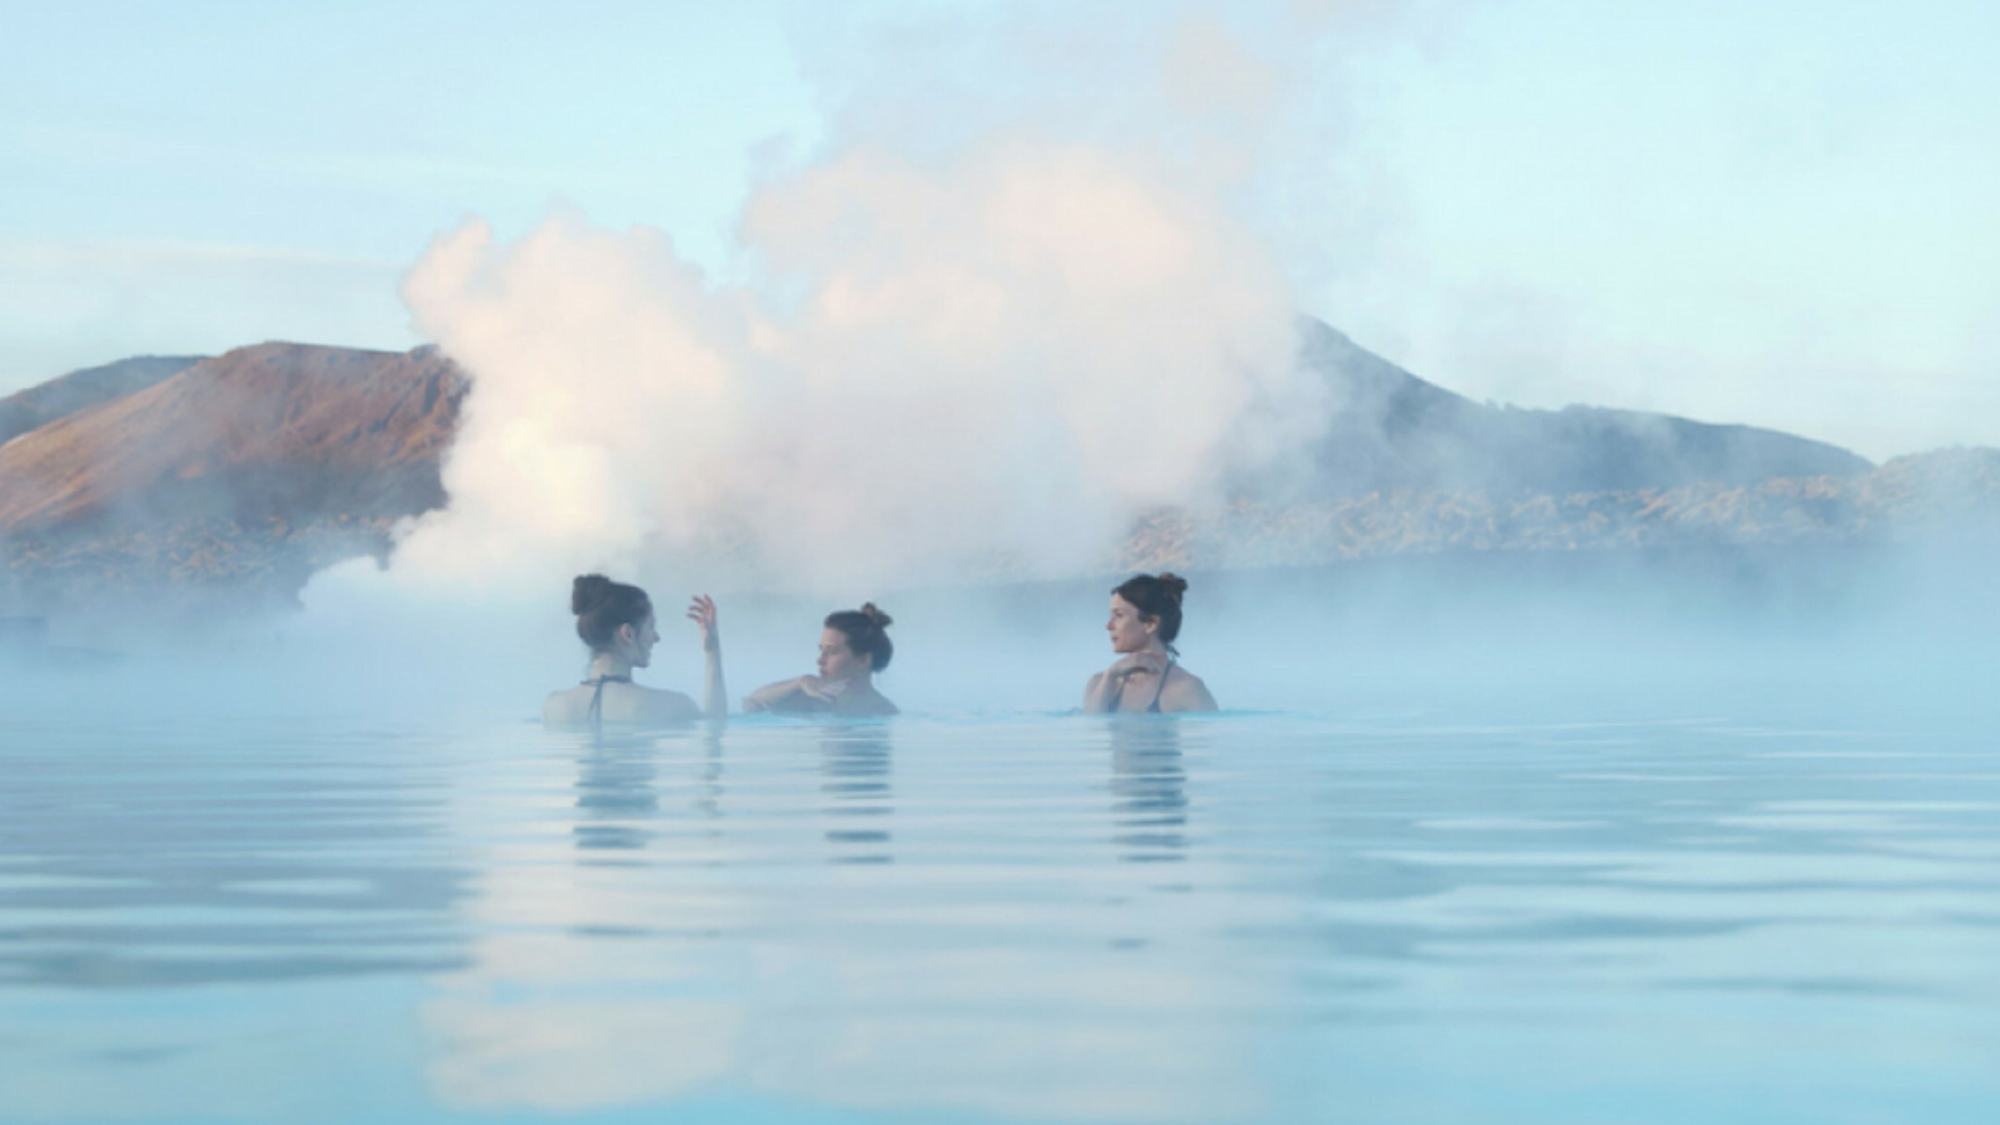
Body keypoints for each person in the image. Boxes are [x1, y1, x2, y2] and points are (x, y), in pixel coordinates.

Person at [544, 575, 726, 727]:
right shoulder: (668, 706)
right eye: (651, 626)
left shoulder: (553, 706)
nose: (656, 637)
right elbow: (714, 730)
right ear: (628, 634)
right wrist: (713, 652)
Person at [1083, 573, 1217, 714]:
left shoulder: (1186, 689)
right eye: (1111, 616)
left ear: (1151, 624)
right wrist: (1110, 675)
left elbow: (1214, 733)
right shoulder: (1099, 683)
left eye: (1119, 615)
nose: (1109, 626)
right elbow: (1090, 728)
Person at [742, 604, 899, 717]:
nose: (820, 660)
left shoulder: (883, 712)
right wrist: (798, 682)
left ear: (863, 660)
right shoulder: (814, 699)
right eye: (821, 650)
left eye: (831, 652)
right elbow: (751, 704)